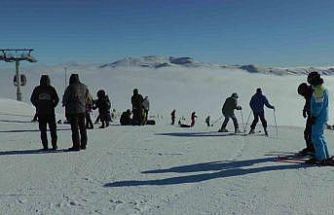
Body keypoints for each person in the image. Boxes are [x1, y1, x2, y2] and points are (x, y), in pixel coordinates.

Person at [30, 75, 59, 150]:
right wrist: (53, 105)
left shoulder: (37, 89)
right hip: (50, 112)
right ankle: (54, 145)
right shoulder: (51, 89)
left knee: (43, 131)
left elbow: (32, 99)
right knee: (53, 130)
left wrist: (37, 105)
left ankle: (45, 146)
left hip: (40, 112)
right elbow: (57, 99)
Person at [306, 72, 330, 164]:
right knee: (320, 136)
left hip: (319, 117)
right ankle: (324, 156)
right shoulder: (320, 88)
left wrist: (314, 116)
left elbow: (318, 105)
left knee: (316, 136)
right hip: (322, 116)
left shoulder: (319, 90)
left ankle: (321, 158)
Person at [62, 74, 90, 151]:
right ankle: (83, 144)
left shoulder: (70, 87)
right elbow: (88, 97)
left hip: (72, 110)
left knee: (75, 129)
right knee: (83, 127)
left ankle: (76, 145)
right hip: (82, 109)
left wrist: (64, 103)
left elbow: (65, 98)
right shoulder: (84, 87)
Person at [297, 82, 314, 155]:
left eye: (302, 93)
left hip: (314, 117)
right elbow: (307, 104)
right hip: (311, 116)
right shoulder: (308, 95)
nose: (302, 95)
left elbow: (315, 106)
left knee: (311, 134)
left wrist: (313, 116)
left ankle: (312, 149)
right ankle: (310, 148)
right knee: (307, 133)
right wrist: (304, 110)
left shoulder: (311, 95)